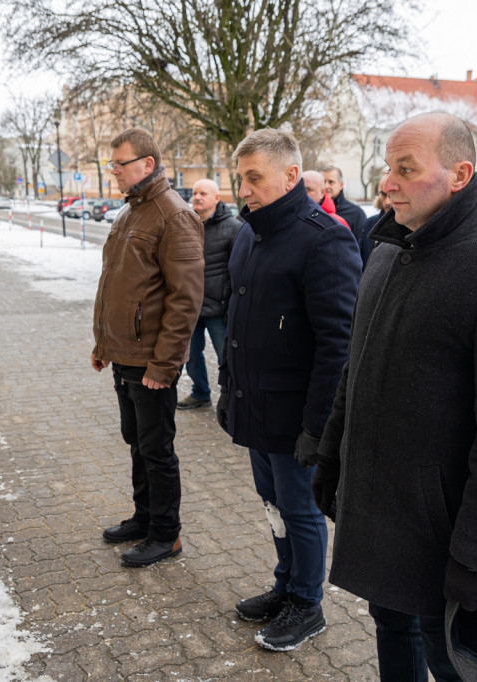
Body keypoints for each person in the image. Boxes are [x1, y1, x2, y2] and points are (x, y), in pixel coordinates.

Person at [312, 112, 477, 680]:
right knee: (390, 638)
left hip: (442, 535)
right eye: (387, 168)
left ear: (459, 175)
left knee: (444, 658)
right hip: (378, 513)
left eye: (406, 169)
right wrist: (331, 460)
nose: (386, 183)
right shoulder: (387, 251)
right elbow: (359, 369)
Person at [218, 129, 361, 652]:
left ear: (290, 175)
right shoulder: (251, 233)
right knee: (271, 502)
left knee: (300, 509)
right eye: (242, 178)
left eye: (254, 178)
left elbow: (338, 343)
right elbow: (237, 318)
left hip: (296, 414)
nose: (246, 189)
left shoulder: (326, 237)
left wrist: (317, 427)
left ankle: (308, 602)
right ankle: (285, 584)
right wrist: (227, 388)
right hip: (254, 404)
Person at [91, 128, 204, 567]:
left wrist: (165, 364)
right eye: (113, 164)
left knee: (157, 449)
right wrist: (104, 343)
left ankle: (166, 534)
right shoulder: (130, 213)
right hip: (124, 356)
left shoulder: (173, 215)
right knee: (136, 442)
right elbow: (114, 286)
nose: (114, 171)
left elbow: (185, 299)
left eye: (120, 163)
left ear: (148, 164)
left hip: (151, 362)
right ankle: (144, 518)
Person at [178, 179, 242, 410]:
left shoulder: (234, 228)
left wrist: (231, 306)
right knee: (191, 356)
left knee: (226, 359)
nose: (197, 197)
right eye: (195, 193)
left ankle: (233, 398)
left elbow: (237, 271)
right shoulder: (186, 224)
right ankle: (200, 393)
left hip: (218, 308)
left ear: (217, 197)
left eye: (203, 193)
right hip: (191, 307)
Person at [321, 166, 370, 263]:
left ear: (341, 185)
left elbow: (361, 249)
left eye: (331, 182)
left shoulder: (356, 213)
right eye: (323, 182)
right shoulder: (315, 209)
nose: (326, 186)